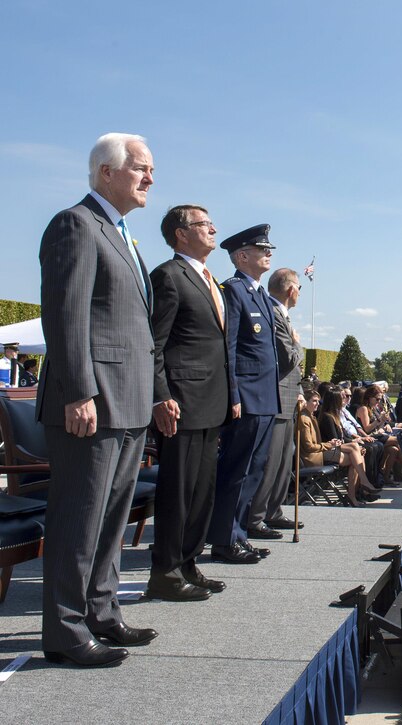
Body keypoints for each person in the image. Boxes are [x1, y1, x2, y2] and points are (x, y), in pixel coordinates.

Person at [37, 132, 158, 667]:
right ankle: (64, 631)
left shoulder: (123, 234)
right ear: (107, 172)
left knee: (111, 517)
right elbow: (67, 317)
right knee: (79, 520)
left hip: (129, 402)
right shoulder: (76, 224)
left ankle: (101, 611)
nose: (150, 177)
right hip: (92, 401)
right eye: (141, 168)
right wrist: (78, 391)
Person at [146, 204, 231, 601]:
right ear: (181, 234)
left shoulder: (210, 278)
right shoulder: (168, 276)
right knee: (177, 491)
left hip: (212, 400)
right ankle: (164, 571)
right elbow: (155, 345)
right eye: (203, 224)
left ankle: (188, 562)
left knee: (202, 491)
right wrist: (161, 396)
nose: (213, 229)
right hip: (182, 400)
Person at [207, 225, 280, 564]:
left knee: (254, 468)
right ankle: (224, 540)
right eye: (261, 249)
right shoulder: (233, 291)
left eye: (269, 249)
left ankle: (238, 534)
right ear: (241, 256)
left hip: (265, 397)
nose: (268, 254)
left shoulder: (261, 295)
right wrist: (233, 395)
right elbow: (230, 350)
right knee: (236, 470)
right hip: (247, 398)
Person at [247, 268, 305, 541]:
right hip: (275, 398)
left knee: (284, 462)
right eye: (299, 289)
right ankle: (256, 517)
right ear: (291, 289)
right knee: (270, 463)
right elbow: (288, 358)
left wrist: (301, 390)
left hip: (289, 397)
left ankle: (273, 509)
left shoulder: (283, 315)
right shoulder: (272, 313)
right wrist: (298, 345)